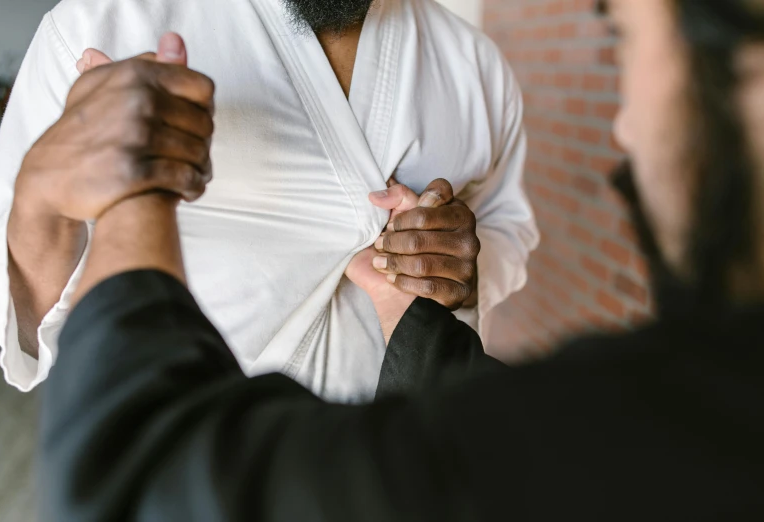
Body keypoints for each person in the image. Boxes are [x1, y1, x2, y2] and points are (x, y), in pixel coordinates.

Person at [41, 0, 764, 519]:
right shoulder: (96, 24)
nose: (625, 126)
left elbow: (132, 485)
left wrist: (133, 192)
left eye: (627, 37)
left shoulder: (470, 61)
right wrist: (414, 303)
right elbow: (10, 238)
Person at [0, 0, 538, 403]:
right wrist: (43, 201)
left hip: (397, 465)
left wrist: (464, 265)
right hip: (197, 462)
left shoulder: (475, 68)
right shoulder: (99, 24)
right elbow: (4, 298)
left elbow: (508, 226)